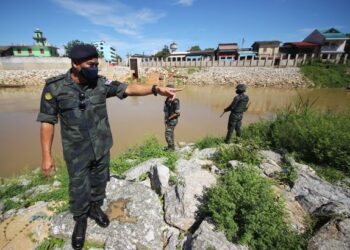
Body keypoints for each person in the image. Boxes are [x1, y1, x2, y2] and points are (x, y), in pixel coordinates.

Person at [36, 44, 181, 250]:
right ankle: (80, 220)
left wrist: (156, 89)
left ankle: (95, 208)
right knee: (78, 188)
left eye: (97, 64)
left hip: (102, 146)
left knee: (99, 183)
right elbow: (47, 121)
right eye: (90, 64)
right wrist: (46, 157)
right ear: (76, 64)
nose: (95, 67)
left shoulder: (99, 83)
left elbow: (128, 89)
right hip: (76, 151)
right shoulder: (55, 88)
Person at [163, 84, 180, 150]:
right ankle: (172, 148)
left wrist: (168, 119)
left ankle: (170, 150)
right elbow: (166, 110)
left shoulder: (175, 101)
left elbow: (177, 113)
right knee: (170, 134)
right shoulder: (167, 99)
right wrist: (165, 119)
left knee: (167, 134)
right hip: (168, 120)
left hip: (172, 120)